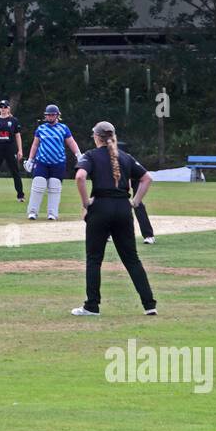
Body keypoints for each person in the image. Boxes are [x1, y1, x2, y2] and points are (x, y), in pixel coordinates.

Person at [71, 121, 157, 317]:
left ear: (96, 137)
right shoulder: (125, 157)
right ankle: (149, 304)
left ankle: (92, 306)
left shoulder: (91, 156)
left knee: (94, 259)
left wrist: (86, 203)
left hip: (100, 208)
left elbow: (80, 177)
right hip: (123, 209)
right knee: (132, 259)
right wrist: (134, 202)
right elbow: (146, 179)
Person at [24, 103, 82, 220]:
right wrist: (30, 159)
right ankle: (32, 212)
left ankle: (52, 213)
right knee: (38, 184)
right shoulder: (41, 129)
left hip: (58, 162)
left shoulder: (63, 128)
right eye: (48, 115)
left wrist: (78, 155)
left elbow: (71, 142)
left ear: (57, 115)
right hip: (42, 162)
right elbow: (35, 145)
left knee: (55, 186)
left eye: (52, 115)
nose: (50, 117)